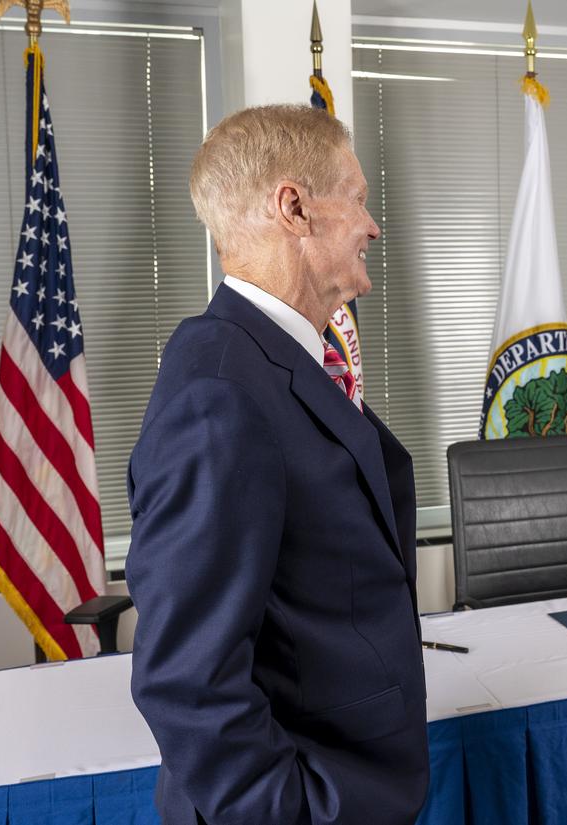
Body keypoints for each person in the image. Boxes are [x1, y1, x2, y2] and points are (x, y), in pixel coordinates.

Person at [126, 104, 427, 825]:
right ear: (294, 206)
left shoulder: (284, 360)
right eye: (356, 198)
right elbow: (187, 678)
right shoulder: (220, 390)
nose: (373, 225)